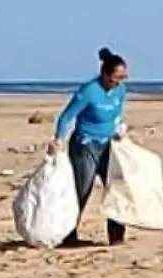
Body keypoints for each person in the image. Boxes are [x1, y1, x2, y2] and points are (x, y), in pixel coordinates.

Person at [50, 48, 132, 246]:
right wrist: (59, 141)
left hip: (109, 145)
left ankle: (116, 236)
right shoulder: (88, 91)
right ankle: (68, 235)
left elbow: (117, 112)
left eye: (123, 77)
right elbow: (66, 117)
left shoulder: (120, 90)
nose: (119, 81)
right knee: (81, 190)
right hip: (85, 146)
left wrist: (119, 128)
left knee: (116, 189)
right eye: (115, 77)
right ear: (105, 74)